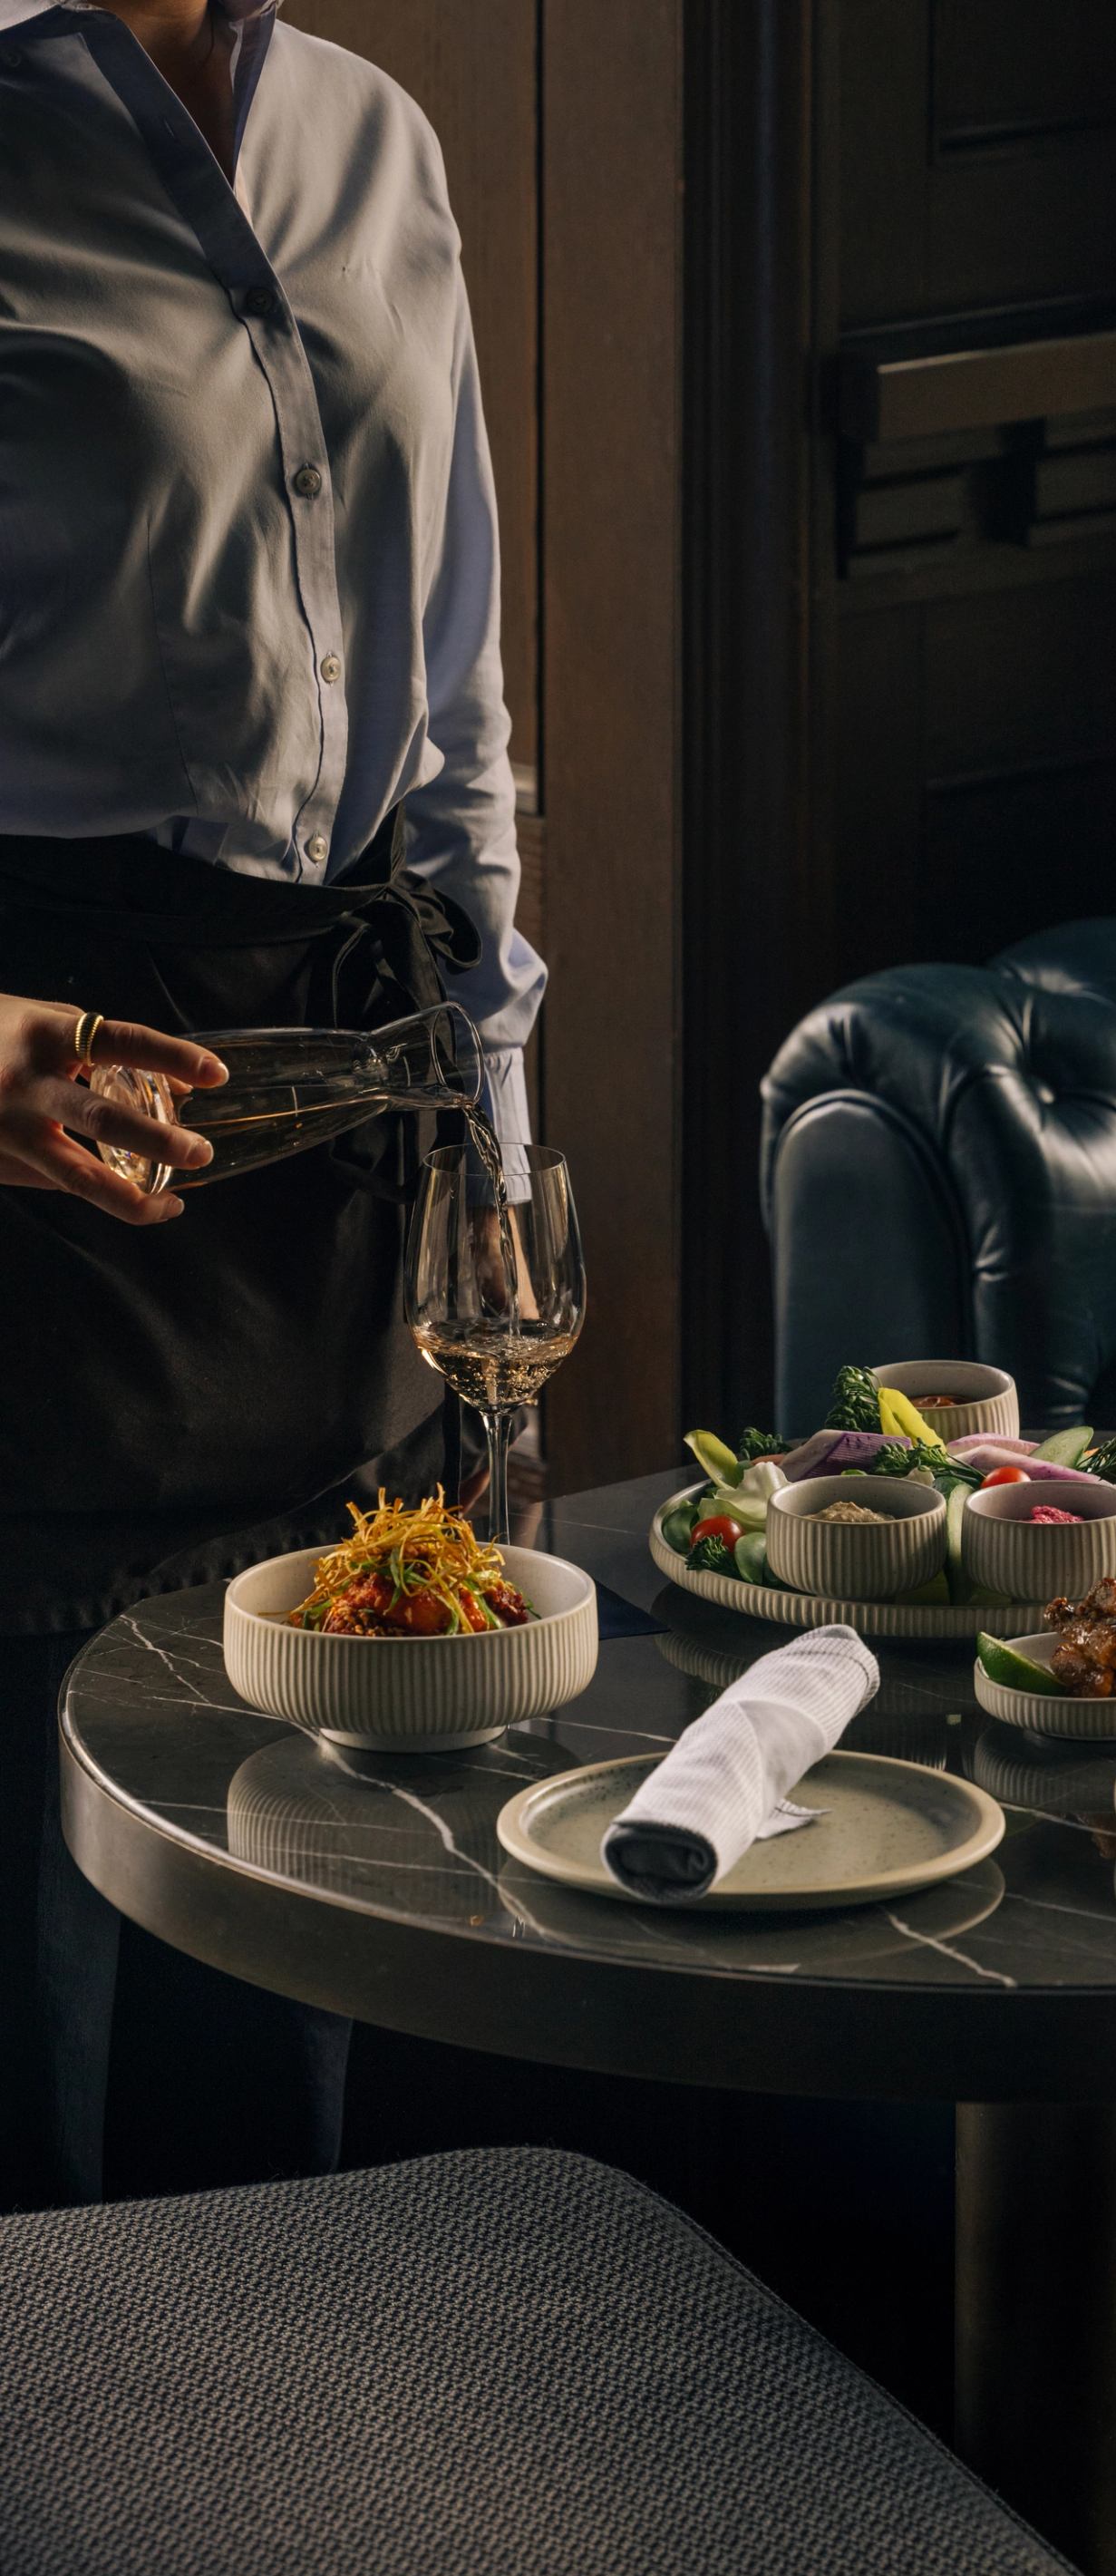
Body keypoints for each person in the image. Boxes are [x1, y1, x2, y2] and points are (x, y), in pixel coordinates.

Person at [0, 0, 545, 2205]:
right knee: (32, 2047)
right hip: (48, 1199)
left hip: (346, 1197)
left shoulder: (369, 131)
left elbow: (457, 726)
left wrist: (497, 1153)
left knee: (299, 2004)